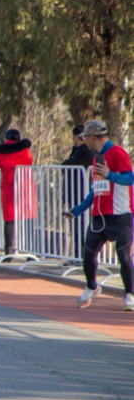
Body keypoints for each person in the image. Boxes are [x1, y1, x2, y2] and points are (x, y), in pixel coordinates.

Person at [63, 120, 133, 311]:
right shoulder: (96, 158)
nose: (85, 141)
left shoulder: (118, 153)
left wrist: (111, 175)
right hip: (99, 215)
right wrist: (78, 210)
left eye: (86, 138)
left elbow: (130, 178)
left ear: (93, 137)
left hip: (120, 214)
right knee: (88, 253)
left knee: (124, 256)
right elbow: (96, 189)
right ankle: (92, 287)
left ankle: (129, 295)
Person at [0, 129, 35, 256]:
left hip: (9, 188)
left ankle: (8, 249)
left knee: (9, 218)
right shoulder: (26, 152)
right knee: (28, 218)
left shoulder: (1, 154)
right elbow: (30, 161)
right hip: (26, 187)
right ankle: (31, 251)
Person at [61, 124, 96, 259]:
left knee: (79, 226)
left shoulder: (85, 151)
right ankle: (78, 255)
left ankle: (80, 256)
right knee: (77, 225)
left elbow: (67, 165)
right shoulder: (80, 150)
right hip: (77, 192)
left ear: (77, 137)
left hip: (79, 192)